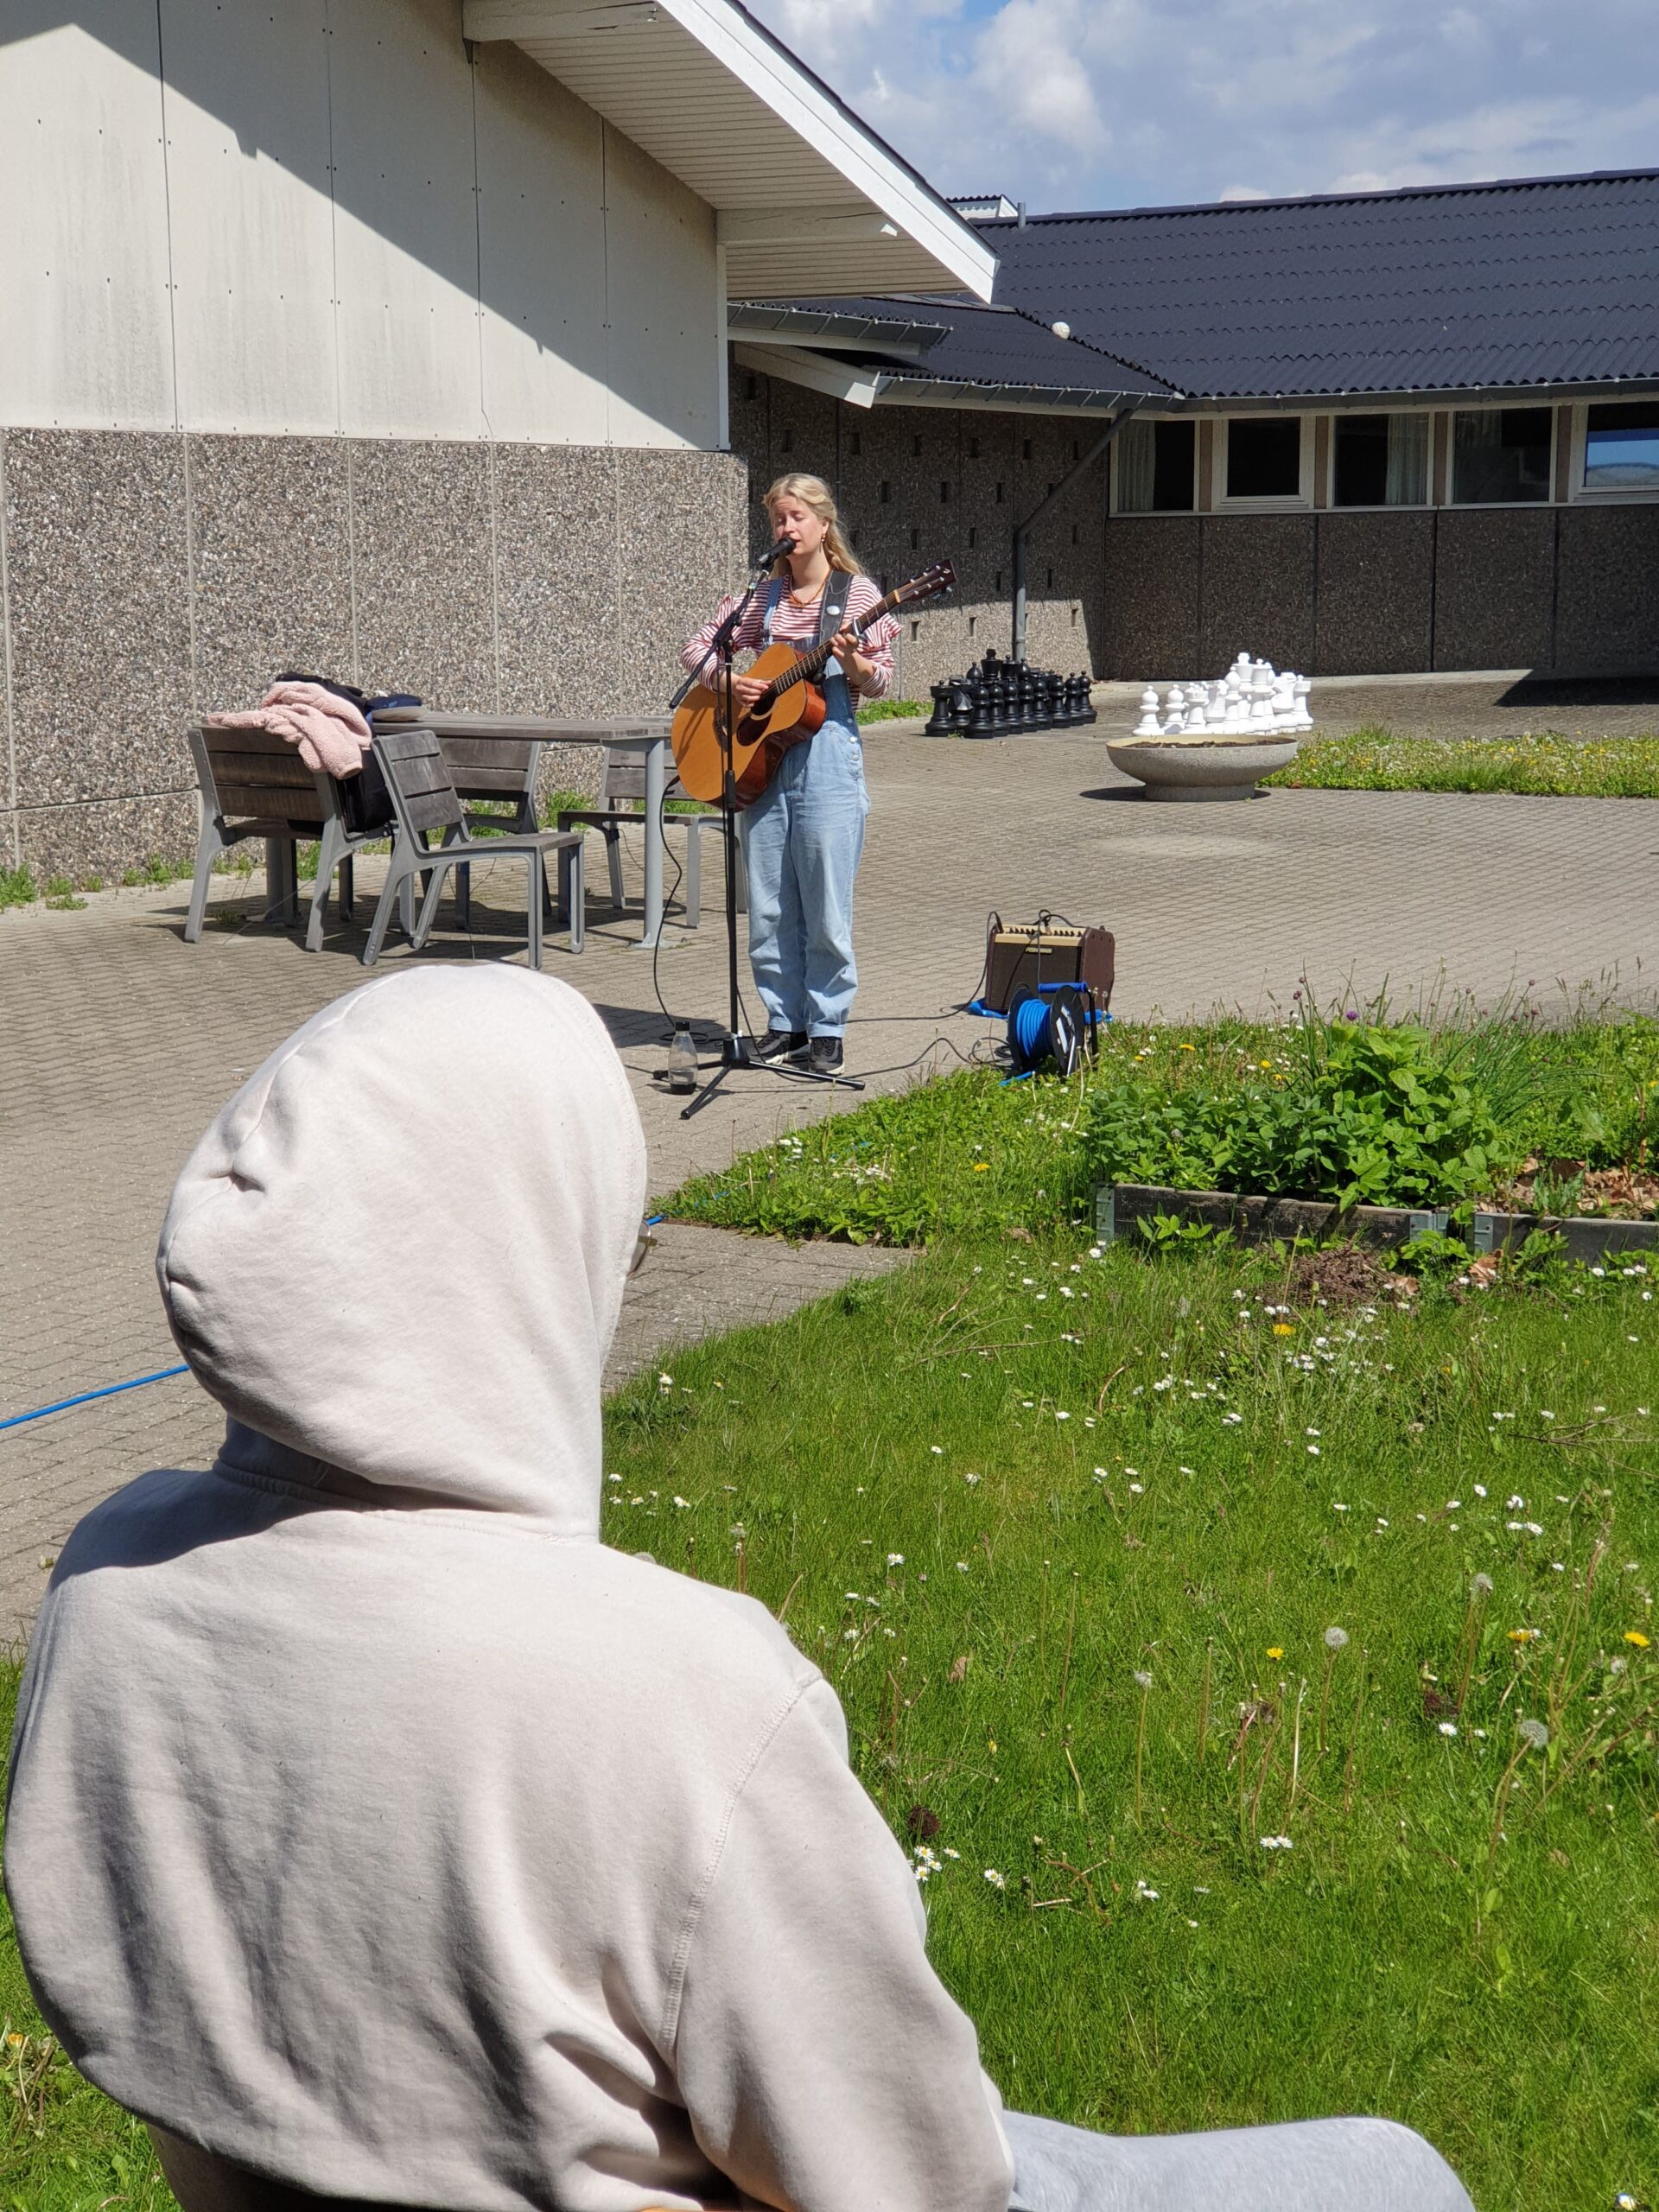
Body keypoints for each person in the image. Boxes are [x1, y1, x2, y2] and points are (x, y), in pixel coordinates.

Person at [4, 967, 1477, 2212]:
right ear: (518, 1248)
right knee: (1388, 2169)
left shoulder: (106, 1576)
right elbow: (914, 2179)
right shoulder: (680, 1700)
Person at [681, 474, 899, 1077]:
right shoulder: (763, 597)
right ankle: (784, 1023)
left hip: (828, 755)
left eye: (796, 517)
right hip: (763, 761)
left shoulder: (855, 597)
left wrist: (854, 660)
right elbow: (698, 647)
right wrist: (728, 682)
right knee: (770, 902)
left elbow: (881, 681)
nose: (786, 528)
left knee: (825, 901)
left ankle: (827, 1026)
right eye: (778, 519)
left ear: (824, 524)